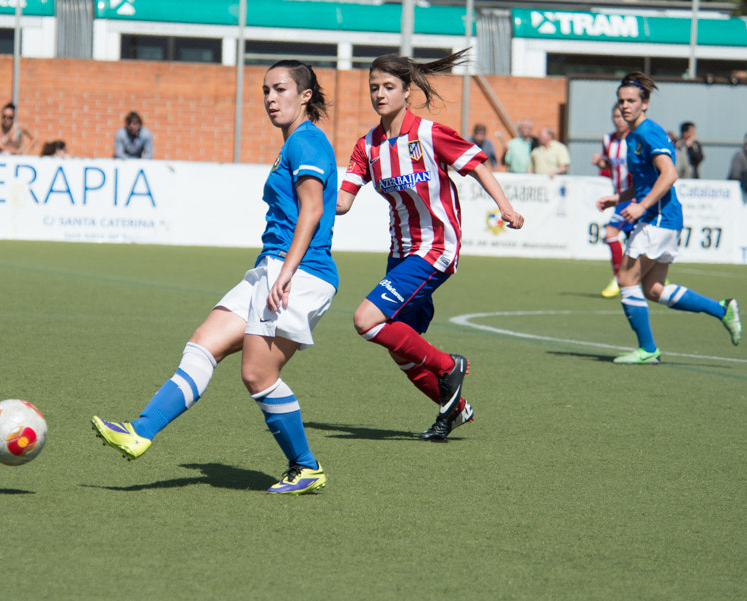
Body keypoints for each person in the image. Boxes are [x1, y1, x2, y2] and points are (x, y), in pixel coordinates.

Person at [92, 60, 338, 495]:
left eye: (280, 89)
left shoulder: (307, 141)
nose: (270, 98)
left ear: (304, 96)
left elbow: (314, 210)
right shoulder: (294, 144)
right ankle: (141, 430)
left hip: (299, 273)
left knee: (257, 375)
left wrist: (286, 272)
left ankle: (306, 466)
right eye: (265, 91)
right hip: (271, 267)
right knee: (204, 342)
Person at [336, 50, 524, 440]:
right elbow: (342, 203)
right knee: (398, 344)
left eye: (389, 86)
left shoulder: (429, 133)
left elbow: (477, 166)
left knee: (365, 320)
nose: (380, 94)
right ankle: (454, 410)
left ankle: (448, 364)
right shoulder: (367, 147)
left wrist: (505, 208)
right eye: (374, 87)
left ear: (407, 91)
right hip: (400, 255)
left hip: (437, 247)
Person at [596, 72, 740, 365]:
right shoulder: (634, 135)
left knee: (626, 278)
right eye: (621, 101)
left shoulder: (649, 132)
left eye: (631, 101)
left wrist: (640, 206)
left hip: (658, 218)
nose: (625, 106)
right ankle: (722, 309)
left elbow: (670, 174)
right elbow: (646, 180)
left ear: (644, 103)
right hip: (660, 217)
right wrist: (620, 197)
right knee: (653, 289)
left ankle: (648, 350)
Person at [591, 105, 632, 299]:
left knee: (611, 232)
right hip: (619, 195)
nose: (619, 119)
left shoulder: (636, 140)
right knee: (635, 237)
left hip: (635, 196)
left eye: (622, 116)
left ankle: (618, 278)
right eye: (616, 116)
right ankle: (650, 275)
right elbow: (608, 166)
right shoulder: (608, 140)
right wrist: (600, 162)